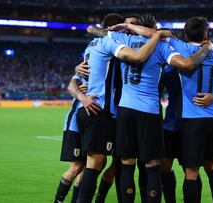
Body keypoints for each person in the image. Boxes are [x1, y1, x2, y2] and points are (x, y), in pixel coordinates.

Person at [103, 13, 213, 203]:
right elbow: (186, 64)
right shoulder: (162, 47)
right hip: (149, 111)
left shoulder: (123, 39)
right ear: (153, 29)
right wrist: (208, 49)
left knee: (127, 164)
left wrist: (124, 27)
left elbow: (96, 32)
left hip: (126, 110)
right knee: (153, 165)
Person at [75, 13, 173, 203]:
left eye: (132, 24)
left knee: (138, 165)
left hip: (131, 109)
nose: (128, 27)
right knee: (116, 163)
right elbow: (92, 32)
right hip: (116, 110)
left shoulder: (125, 42)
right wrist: (80, 73)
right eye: (125, 25)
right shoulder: (117, 42)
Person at [166, 17, 213, 203]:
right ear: (206, 34)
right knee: (212, 167)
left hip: (194, 119)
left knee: (191, 172)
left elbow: (161, 36)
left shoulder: (182, 50)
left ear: (185, 34)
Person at [53, 61, 89, 203]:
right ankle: (58, 201)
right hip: (75, 122)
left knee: (88, 166)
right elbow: (71, 85)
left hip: (91, 123)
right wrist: (80, 91)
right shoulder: (85, 68)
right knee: (76, 166)